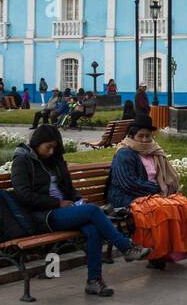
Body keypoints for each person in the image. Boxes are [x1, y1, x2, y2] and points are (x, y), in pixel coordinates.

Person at [10, 125, 151, 296]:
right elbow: (24, 195)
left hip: (64, 210)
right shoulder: (22, 160)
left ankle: (94, 281)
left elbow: (69, 188)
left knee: (93, 230)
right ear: (36, 143)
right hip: (43, 216)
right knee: (92, 211)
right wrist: (57, 203)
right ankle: (126, 248)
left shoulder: (56, 160)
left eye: (55, 147)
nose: (51, 151)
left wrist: (78, 200)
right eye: (48, 147)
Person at [107, 116, 187, 269]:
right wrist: (158, 190)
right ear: (131, 136)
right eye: (141, 136)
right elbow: (129, 183)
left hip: (152, 195)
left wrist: (164, 190)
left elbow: (163, 177)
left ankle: (173, 251)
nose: (145, 140)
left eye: (148, 136)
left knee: (183, 204)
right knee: (162, 209)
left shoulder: (154, 151)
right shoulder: (124, 154)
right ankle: (156, 255)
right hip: (126, 197)